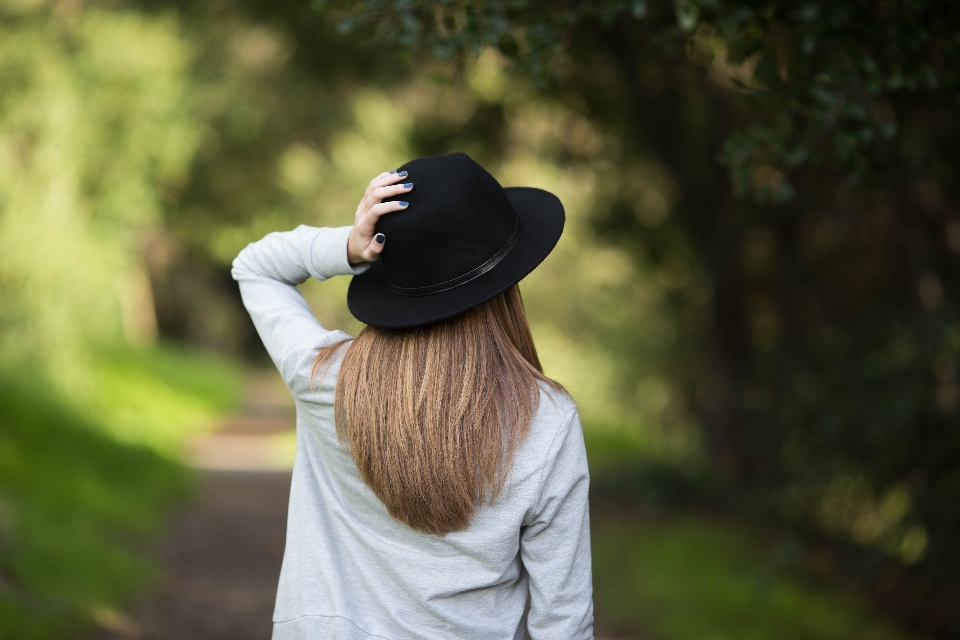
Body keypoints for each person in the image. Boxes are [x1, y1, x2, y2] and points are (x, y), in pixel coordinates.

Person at [232, 152, 593, 640]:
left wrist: (351, 245)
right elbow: (563, 622)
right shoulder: (545, 421)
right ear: (508, 282)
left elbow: (255, 266)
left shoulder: (326, 381)